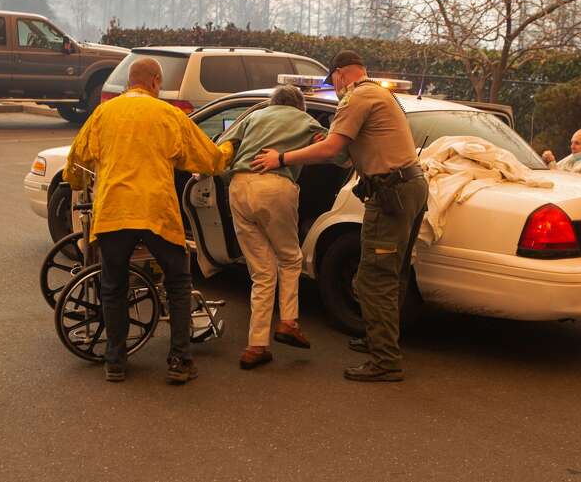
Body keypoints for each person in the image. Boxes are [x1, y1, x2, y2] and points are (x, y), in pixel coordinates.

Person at [251, 51, 428, 383]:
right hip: (410, 188)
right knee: (394, 272)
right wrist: (326, 142)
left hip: (391, 195)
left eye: (332, 81)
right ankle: (381, 340)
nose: (333, 89)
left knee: (373, 279)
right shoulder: (379, 93)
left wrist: (282, 157)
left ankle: (385, 360)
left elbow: (332, 150)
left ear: (341, 74)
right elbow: (344, 156)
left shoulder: (357, 97)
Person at [64, 57, 234, 384]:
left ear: (130, 82)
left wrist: (77, 184)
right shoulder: (169, 114)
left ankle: (115, 361)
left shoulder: (104, 113)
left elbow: (77, 158)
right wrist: (229, 147)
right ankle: (180, 360)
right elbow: (207, 160)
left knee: (112, 286)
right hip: (157, 211)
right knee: (178, 282)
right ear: (155, 81)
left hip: (114, 211)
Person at [225, 85, 335, 370]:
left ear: (272, 102)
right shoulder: (305, 120)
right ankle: (288, 322)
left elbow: (225, 145)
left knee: (261, 271)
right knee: (289, 257)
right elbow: (331, 152)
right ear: (300, 106)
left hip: (238, 186)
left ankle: (256, 346)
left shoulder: (255, 115)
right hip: (275, 186)